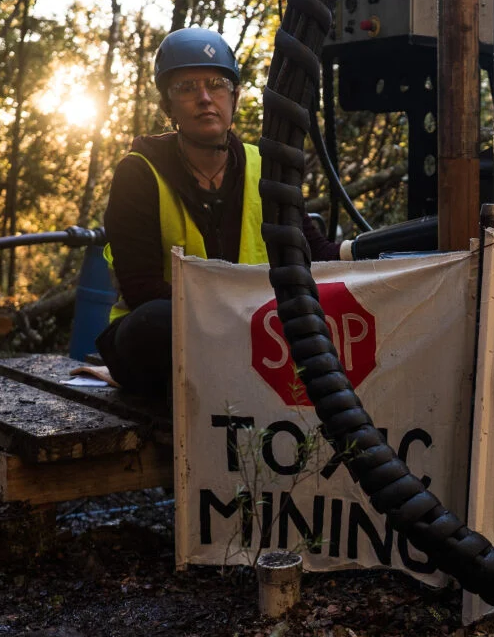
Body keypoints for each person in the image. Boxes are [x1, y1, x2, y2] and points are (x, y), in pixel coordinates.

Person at [98, 27, 338, 397]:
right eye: (187, 88)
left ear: (235, 97)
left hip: (260, 330)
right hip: (172, 342)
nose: (205, 98)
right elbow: (141, 288)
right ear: (168, 106)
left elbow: (315, 253)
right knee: (152, 322)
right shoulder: (139, 173)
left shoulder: (266, 167)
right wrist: (235, 321)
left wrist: (371, 255)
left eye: (216, 84)